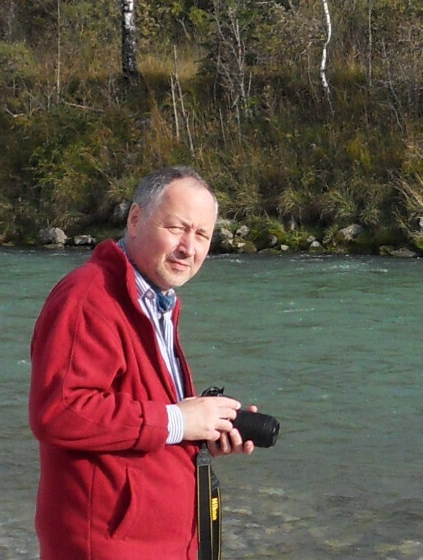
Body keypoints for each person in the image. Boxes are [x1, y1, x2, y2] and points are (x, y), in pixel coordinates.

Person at [29, 166, 255, 559]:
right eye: (177, 228)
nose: (190, 247)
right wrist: (179, 421)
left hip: (155, 543)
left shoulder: (155, 301)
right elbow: (60, 410)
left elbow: (144, 417)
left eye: (202, 235)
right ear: (136, 219)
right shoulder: (89, 297)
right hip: (109, 546)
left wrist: (198, 433)